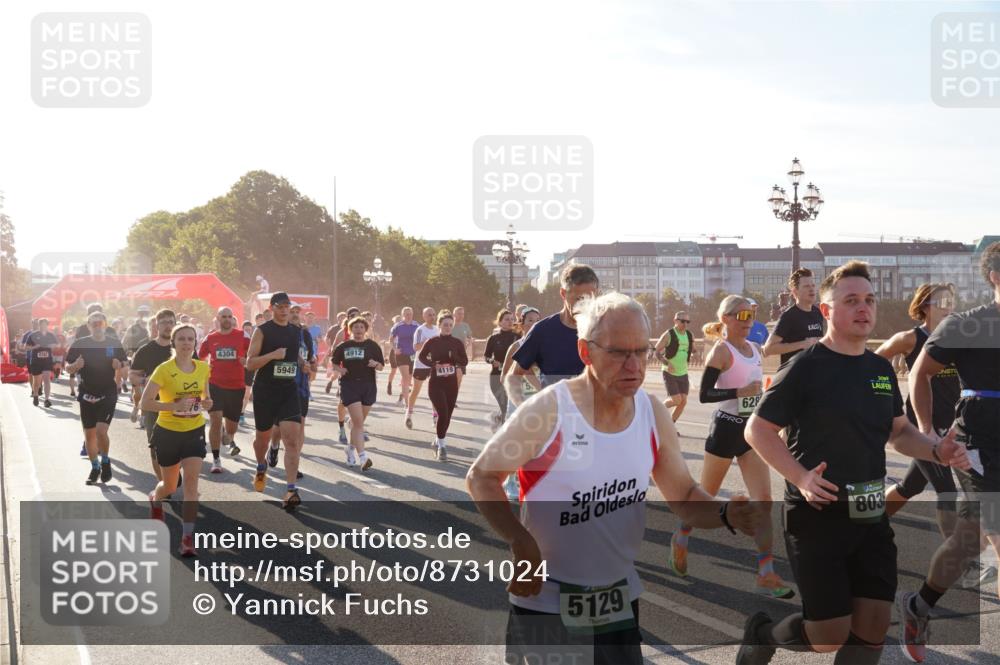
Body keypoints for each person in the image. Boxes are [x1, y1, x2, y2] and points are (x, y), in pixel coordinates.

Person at [467, 292, 758, 665]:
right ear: (586, 352)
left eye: (641, 352)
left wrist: (726, 514)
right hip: (547, 598)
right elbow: (482, 477)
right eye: (620, 353)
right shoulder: (549, 410)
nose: (634, 365)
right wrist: (522, 543)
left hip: (617, 598)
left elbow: (684, 495)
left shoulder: (652, 413)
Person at [739, 260, 969, 665]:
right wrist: (801, 477)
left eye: (868, 300)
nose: (863, 308)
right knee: (828, 635)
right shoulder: (805, 367)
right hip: (816, 514)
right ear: (827, 311)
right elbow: (756, 430)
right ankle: (762, 633)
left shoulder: (879, 369)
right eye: (851, 301)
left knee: (872, 629)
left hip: (870, 515)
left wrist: (935, 449)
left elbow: (897, 432)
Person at [897, 242, 1000, 662]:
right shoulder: (967, 324)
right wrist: (927, 435)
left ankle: (918, 606)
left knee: (965, 543)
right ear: (995, 275)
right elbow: (919, 372)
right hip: (978, 447)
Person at [666, 296, 793, 598]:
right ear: (726, 318)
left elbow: (755, 391)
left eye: (753, 314)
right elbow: (704, 394)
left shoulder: (754, 350)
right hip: (724, 429)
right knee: (704, 499)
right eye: (743, 315)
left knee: (763, 500)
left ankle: (766, 573)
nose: (749, 320)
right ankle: (681, 535)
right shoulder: (721, 351)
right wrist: (738, 391)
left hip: (750, 433)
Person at [875, 284, 960, 539]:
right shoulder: (910, 338)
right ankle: (958, 557)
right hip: (921, 428)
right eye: (941, 303)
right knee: (947, 490)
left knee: (908, 487)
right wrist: (883, 388)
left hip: (951, 424)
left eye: (950, 303)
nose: (948, 308)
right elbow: (872, 362)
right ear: (925, 307)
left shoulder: (957, 337)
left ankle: (867, 527)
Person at [141, 323, 212, 556]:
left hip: (194, 430)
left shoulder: (203, 368)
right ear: (174, 343)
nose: (186, 343)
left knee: (191, 486)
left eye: (190, 339)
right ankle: (155, 497)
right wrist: (173, 406)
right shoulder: (163, 369)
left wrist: (207, 403)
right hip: (168, 432)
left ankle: (187, 538)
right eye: (181, 338)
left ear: (195, 342)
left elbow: (205, 397)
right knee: (170, 486)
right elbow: (146, 403)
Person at [246, 292, 307, 510]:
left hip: (288, 390)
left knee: (292, 440)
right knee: (262, 439)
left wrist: (302, 363)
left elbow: (291, 355)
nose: (284, 310)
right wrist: (272, 355)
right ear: (272, 308)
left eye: (287, 306)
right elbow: (250, 363)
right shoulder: (262, 331)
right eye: (280, 306)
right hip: (265, 391)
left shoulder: (295, 330)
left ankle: (291, 489)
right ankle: (261, 466)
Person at [507, 264, 599, 406]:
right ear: (563, 293)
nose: (585, 305)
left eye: (590, 299)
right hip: (555, 418)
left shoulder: (604, 329)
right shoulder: (543, 330)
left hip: (594, 419)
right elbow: (513, 376)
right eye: (579, 299)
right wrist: (524, 409)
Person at [65, 311, 128, 485]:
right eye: (94, 323)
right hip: (86, 392)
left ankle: (105, 461)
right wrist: (74, 366)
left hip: (107, 392)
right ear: (88, 326)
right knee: (89, 435)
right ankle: (95, 467)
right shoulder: (80, 344)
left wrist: (120, 365)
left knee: (101, 431)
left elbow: (125, 368)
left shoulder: (114, 343)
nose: (97, 326)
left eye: (100, 323)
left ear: (105, 324)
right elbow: (67, 366)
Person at [498, 307, 543, 501]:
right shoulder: (516, 347)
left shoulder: (544, 348)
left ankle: (532, 483)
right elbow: (503, 377)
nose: (535, 324)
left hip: (538, 400)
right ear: (523, 323)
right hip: (517, 401)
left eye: (538, 321)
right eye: (531, 320)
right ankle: (510, 483)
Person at [198, 306, 249, 472]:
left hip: (236, 386)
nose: (226, 319)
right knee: (215, 419)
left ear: (232, 318)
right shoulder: (211, 337)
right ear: (218, 319)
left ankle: (228, 436)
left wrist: (247, 360)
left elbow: (254, 353)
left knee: (231, 430)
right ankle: (216, 459)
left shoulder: (242, 335)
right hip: (215, 385)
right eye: (223, 316)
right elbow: (200, 357)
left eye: (229, 316)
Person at [267, 304, 317, 474]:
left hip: (300, 387)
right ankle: (274, 446)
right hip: (281, 385)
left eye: (297, 312)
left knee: (300, 425)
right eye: (292, 312)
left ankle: (294, 463)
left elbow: (311, 358)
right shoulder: (277, 333)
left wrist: (310, 367)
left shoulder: (305, 334)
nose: (295, 314)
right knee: (279, 427)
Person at [329, 315, 384, 470]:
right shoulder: (343, 346)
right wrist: (340, 369)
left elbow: (381, 366)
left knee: (357, 424)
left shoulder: (372, 346)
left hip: (368, 386)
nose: (358, 330)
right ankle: (363, 458)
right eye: (355, 327)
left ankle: (350, 449)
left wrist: (376, 364)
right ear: (350, 329)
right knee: (358, 423)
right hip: (349, 385)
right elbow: (333, 362)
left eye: (361, 327)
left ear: (365, 330)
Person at [129, 309, 177, 483]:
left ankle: (171, 476)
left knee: (177, 447)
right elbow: (132, 376)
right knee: (155, 447)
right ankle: (164, 482)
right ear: (157, 325)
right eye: (164, 322)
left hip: (179, 406)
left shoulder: (183, 346)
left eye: (171, 322)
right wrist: (145, 380)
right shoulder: (146, 350)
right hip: (153, 406)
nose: (168, 326)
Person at [418, 311, 469, 461]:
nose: (447, 327)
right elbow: (421, 357)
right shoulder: (432, 341)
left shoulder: (457, 343)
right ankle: (442, 446)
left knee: (448, 416)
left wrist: (454, 359)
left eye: (450, 325)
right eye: (445, 325)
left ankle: (437, 440)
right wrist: (432, 364)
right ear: (439, 325)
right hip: (436, 383)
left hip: (451, 383)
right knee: (443, 413)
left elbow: (464, 361)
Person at [763, 268, 825, 367]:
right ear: (795, 292)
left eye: (813, 285)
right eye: (806, 286)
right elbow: (768, 349)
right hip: (793, 377)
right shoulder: (789, 316)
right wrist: (802, 344)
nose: (812, 289)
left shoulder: (817, 312)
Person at [654, 311, 694, 422]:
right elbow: (656, 352)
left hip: (683, 372)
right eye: (682, 321)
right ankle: (656, 410)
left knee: (683, 401)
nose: (685, 324)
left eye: (687, 321)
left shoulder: (689, 335)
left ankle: (671, 425)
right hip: (669, 372)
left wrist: (693, 353)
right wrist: (666, 363)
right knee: (676, 400)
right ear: (675, 321)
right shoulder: (668, 334)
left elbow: (692, 348)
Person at [405, 307, 440, 429]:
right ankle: (409, 414)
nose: (432, 317)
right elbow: (415, 347)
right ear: (424, 316)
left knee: (435, 391)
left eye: (433, 314)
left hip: (434, 364)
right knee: (416, 390)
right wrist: (428, 343)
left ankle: (435, 417)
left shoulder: (437, 329)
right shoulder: (420, 330)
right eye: (429, 315)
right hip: (421, 364)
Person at [483, 310, 519, 426]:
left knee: (509, 406)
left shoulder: (518, 337)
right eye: (507, 319)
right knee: (504, 405)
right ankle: (501, 421)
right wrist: (492, 361)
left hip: (513, 376)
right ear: (500, 322)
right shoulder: (493, 338)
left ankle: (501, 422)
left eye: (512, 319)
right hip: (496, 376)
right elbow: (486, 356)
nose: (510, 322)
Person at [389, 307, 419, 407]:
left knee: (410, 379)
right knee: (405, 378)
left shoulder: (416, 325)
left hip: (413, 355)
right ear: (402, 315)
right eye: (406, 314)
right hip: (401, 354)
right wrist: (395, 349)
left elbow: (422, 338)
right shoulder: (398, 326)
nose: (408, 315)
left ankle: (405, 400)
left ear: (412, 314)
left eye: (410, 314)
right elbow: (391, 340)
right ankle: (407, 403)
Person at [26, 318, 58, 407]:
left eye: (45, 324)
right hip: (36, 361)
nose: (43, 326)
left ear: (47, 325)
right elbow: (26, 347)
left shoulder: (51, 335)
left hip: (47, 361)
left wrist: (52, 346)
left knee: (47, 379)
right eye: (41, 324)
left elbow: (56, 344)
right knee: (37, 382)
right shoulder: (33, 335)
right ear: (39, 325)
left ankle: (47, 399)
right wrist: (34, 347)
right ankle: (35, 395)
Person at [451, 306, 474, 392]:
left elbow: (469, 337)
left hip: (462, 355)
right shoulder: (450, 325)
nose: (461, 316)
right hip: (450, 356)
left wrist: (470, 340)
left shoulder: (465, 326)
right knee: (453, 376)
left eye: (462, 314)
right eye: (459, 314)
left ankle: (453, 397)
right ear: (454, 314)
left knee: (459, 378)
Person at [385, 314, 402, 396]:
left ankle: (405, 385)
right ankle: (389, 384)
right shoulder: (394, 329)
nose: (399, 322)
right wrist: (391, 351)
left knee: (403, 370)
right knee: (394, 370)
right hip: (395, 350)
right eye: (397, 321)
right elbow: (390, 341)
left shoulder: (404, 328)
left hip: (403, 350)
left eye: (400, 320)